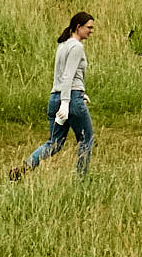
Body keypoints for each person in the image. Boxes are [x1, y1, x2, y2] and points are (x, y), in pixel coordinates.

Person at [12, 11, 96, 178]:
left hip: (56, 96)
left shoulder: (62, 45)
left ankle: (26, 167)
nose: (91, 31)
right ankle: (82, 180)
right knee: (86, 140)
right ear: (78, 27)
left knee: (54, 143)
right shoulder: (76, 46)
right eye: (89, 27)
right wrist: (69, 100)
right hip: (70, 99)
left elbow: (61, 76)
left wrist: (78, 93)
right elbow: (68, 75)